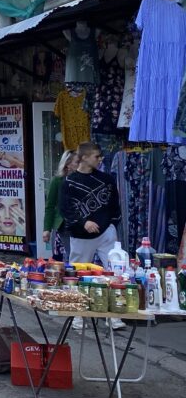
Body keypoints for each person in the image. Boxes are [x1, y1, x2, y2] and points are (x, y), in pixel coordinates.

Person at [60, 141, 124, 330]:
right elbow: (66, 209)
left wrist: (112, 224)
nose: (100, 159)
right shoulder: (69, 182)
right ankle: (77, 314)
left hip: (106, 233)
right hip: (80, 236)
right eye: (96, 156)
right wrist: (83, 222)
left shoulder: (107, 179)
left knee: (114, 272)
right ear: (85, 157)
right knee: (77, 275)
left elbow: (114, 204)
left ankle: (114, 315)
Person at [43, 150, 78, 261]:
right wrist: (46, 229)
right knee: (68, 255)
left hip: (80, 224)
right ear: (68, 164)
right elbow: (50, 206)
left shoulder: (82, 180)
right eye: (77, 162)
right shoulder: (57, 181)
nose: (80, 164)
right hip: (64, 225)